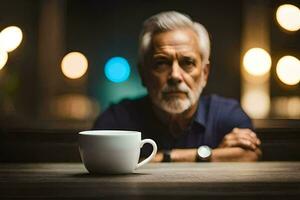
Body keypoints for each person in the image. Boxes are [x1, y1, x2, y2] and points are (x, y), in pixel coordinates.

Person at [93, 11, 261, 162]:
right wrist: (211, 155)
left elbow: (249, 154)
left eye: (187, 63)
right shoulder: (118, 118)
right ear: (144, 74)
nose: (175, 75)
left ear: (204, 73)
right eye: (161, 63)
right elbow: (96, 158)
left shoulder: (227, 114)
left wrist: (165, 158)